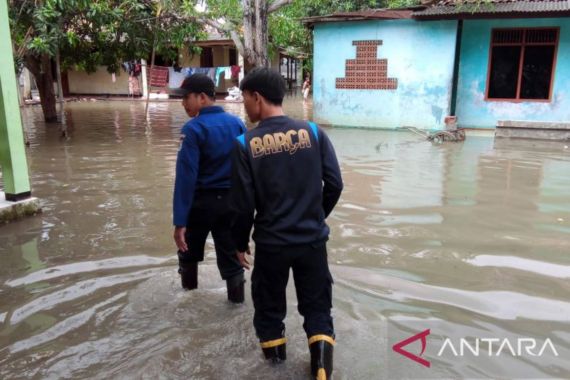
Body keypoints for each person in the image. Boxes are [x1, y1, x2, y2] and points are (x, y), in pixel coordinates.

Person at [230, 68, 343, 379]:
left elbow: (242, 206)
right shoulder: (314, 133)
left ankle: (275, 370)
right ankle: (321, 371)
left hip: (271, 246)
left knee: (269, 312)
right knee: (318, 310)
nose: (245, 107)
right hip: (312, 243)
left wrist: (239, 245)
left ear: (257, 97)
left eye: (245, 99)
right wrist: (314, 217)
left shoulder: (244, 145)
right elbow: (334, 184)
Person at [171, 74, 246, 303]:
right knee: (232, 261)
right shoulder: (237, 124)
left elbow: (186, 178)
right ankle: (237, 306)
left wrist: (179, 222)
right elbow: (246, 171)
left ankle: (188, 301)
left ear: (202, 98)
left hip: (201, 205)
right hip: (231, 205)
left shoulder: (192, 129)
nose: (183, 103)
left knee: (187, 254)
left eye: (186, 98)